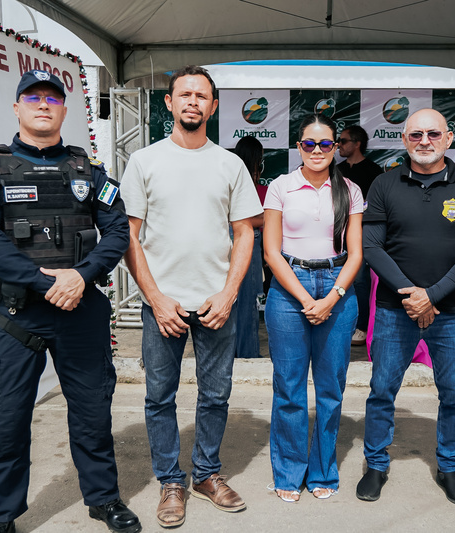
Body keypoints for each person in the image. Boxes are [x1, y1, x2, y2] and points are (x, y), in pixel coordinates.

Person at [0, 70, 139, 533]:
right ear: (17, 107)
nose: (43, 104)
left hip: (80, 309)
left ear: (63, 110)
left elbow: (118, 230)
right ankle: (2, 516)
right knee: (8, 421)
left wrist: (81, 275)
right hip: (18, 315)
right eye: (33, 97)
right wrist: (42, 281)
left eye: (52, 99)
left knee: (93, 413)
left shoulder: (87, 171)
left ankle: (103, 499)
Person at [120, 65, 263, 528]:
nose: (193, 102)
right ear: (169, 102)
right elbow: (129, 236)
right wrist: (156, 298)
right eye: (185, 94)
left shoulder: (230, 164)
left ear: (213, 106)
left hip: (215, 304)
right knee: (159, 397)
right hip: (162, 305)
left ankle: (205, 474)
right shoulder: (144, 161)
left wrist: (229, 293)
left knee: (216, 395)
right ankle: (170, 481)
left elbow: (245, 234)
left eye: (202, 96)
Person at [356, 109, 455, 505]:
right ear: (404, 140)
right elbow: (371, 247)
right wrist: (412, 294)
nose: (425, 141)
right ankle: (376, 464)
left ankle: (448, 467)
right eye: (416, 134)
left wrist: (431, 296)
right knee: (382, 390)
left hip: (453, 313)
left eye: (433, 133)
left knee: (453, 395)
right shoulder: (384, 184)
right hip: (394, 310)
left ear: (448, 138)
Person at [264, 113, 363, 502]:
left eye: (325, 144)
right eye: (309, 143)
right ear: (299, 146)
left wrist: (332, 297)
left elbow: (356, 254)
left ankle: (323, 470)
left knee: (330, 389)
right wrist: (307, 300)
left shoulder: (350, 190)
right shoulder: (281, 186)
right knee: (289, 387)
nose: (317, 150)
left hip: (337, 286)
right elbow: (271, 252)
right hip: (290, 287)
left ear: (335, 147)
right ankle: (289, 472)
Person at [337, 125, 383, 346]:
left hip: (362, 232)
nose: (338, 145)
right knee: (335, 276)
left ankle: (362, 327)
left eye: (343, 141)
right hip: (335, 233)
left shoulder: (374, 171)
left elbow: (377, 205)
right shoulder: (335, 169)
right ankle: (338, 323)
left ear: (357, 144)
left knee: (360, 279)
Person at [233, 135, 266, 358]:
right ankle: (247, 354)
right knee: (247, 303)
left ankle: (243, 352)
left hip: (252, 248)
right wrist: (264, 219)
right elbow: (236, 219)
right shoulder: (239, 185)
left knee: (246, 303)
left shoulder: (259, 188)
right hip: (246, 246)